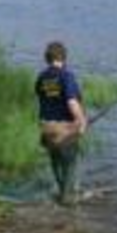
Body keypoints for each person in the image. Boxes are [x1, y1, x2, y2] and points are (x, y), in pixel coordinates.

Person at [35, 41, 87, 204]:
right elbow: (71, 101)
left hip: (46, 126)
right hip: (64, 128)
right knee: (70, 162)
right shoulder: (66, 76)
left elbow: (46, 96)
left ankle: (62, 191)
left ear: (47, 58)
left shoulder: (42, 77)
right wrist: (81, 121)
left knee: (55, 160)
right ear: (64, 57)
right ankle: (67, 198)